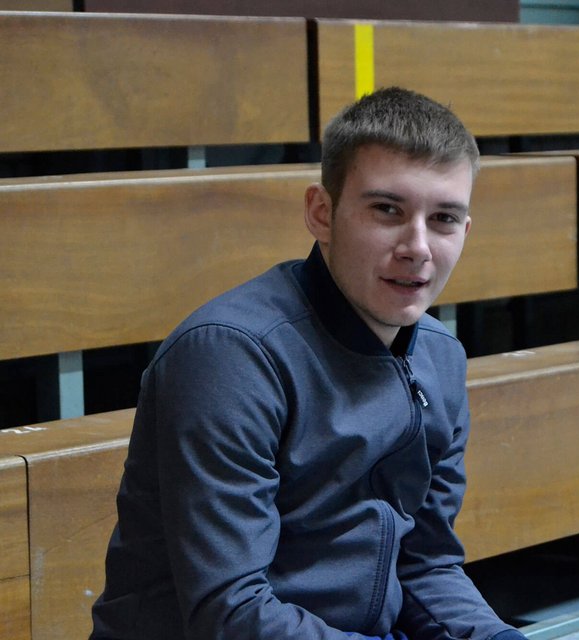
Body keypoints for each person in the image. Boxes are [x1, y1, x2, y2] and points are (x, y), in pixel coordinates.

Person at [90, 87, 528, 640]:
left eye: (443, 218)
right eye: (387, 210)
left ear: (463, 233)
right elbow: (231, 611)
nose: (417, 246)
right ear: (322, 213)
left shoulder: (441, 358)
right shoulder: (229, 356)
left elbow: (425, 566)